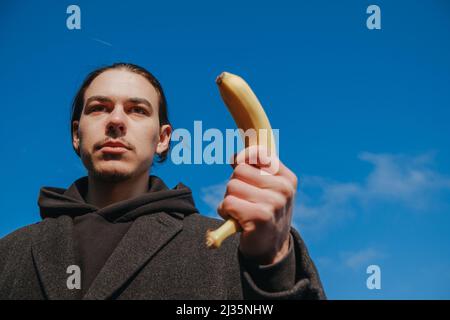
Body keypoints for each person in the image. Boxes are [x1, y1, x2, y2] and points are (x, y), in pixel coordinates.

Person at [0, 63, 325, 300]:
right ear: (76, 134)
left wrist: (273, 261)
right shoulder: (10, 251)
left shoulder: (228, 249)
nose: (116, 121)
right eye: (99, 108)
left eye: (137, 110)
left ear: (163, 139)